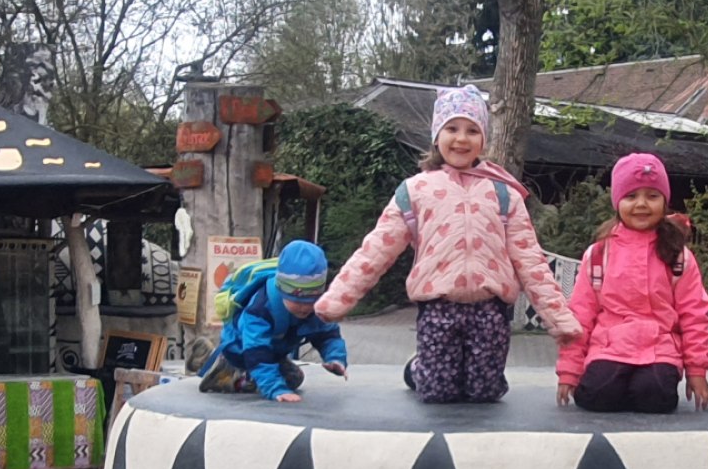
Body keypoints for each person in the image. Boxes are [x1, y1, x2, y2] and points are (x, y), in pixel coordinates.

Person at [313, 84, 578, 403]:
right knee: (438, 392)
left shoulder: (503, 194)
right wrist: (337, 301)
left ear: (483, 139)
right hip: (438, 306)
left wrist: (559, 320)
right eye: (452, 128)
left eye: (472, 130)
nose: (462, 139)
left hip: (490, 309)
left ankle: (468, 371)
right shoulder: (415, 191)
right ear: (437, 135)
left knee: (485, 392)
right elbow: (376, 250)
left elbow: (531, 261)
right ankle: (418, 368)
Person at [555, 153, 708, 413]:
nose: (641, 204)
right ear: (617, 202)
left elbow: (694, 314)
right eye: (631, 196)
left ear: (664, 201)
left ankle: (637, 387)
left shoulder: (678, 256)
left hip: (660, 349)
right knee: (597, 395)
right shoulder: (599, 254)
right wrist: (569, 370)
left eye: (652, 196)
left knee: (656, 396)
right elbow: (581, 314)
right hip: (609, 347)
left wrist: (697, 370)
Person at [199, 239, 348, 403]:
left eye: (311, 300)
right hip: (241, 349)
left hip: (273, 351)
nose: (304, 307)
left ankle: (211, 358)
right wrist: (275, 389)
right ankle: (228, 372)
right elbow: (257, 352)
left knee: (294, 378)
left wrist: (336, 358)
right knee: (267, 376)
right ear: (281, 289)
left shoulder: (315, 309)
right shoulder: (261, 308)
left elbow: (327, 335)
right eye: (297, 301)